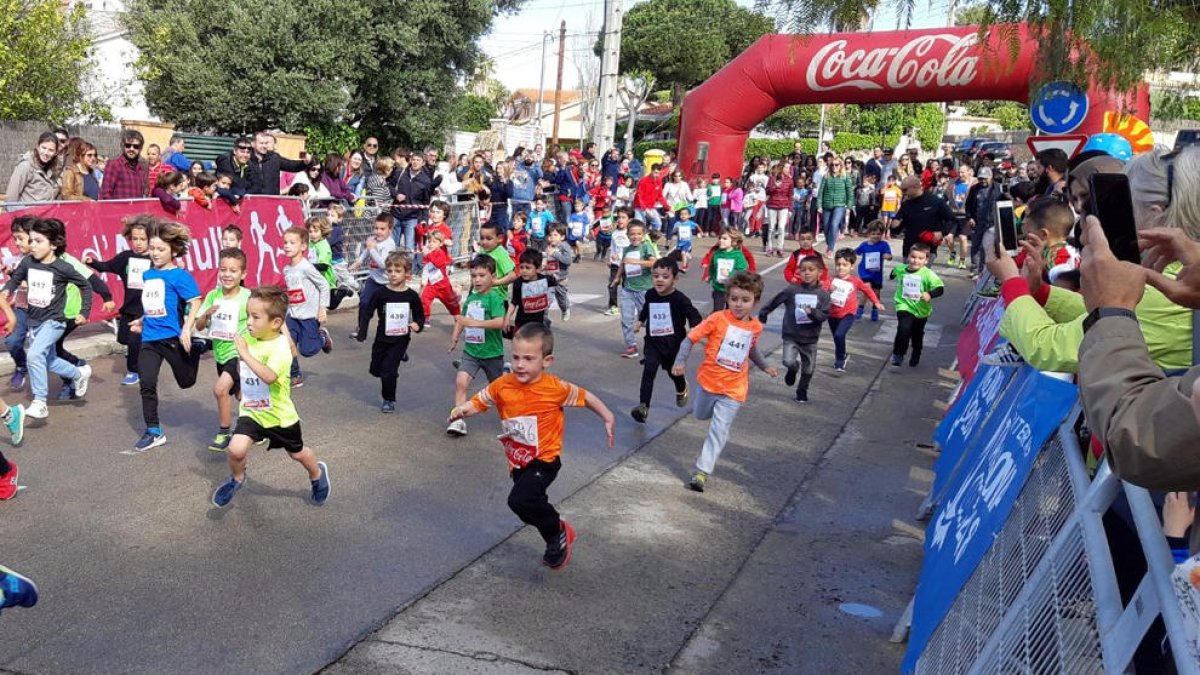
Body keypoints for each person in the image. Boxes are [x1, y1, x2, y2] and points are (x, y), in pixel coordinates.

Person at [448, 322, 615, 569]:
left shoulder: (554, 387)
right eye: (515, 357)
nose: (519, 364)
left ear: (546, 361)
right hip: (518, 460)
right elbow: (480, 401)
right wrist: (462, 409)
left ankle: (557, 532)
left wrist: (607, 417)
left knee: (520, 501)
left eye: (528, 358)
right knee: (528, 506)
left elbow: (585, 396)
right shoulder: (502, 385)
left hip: (545, 459)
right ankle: (557, 533)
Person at [210, 286, 331, 507]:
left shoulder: (280, 347)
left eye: (256, 317)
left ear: (275, 323)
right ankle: (237, 478)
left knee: (297, 454)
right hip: (253, 412)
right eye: (248, 316)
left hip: (279, 416)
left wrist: (245, 353)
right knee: (235, 449)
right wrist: (239, 385)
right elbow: (242, 365)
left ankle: (316, 474)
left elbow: (269, 377)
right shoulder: (249, 336)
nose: (248, 322)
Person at [673, 271, 778, 491]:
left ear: (755, 302)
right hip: (709, 382)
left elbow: (751, 349)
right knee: (700, 414)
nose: (738, 304)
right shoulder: (717, 319)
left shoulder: (755, 327)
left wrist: (765, 366)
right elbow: (691, 337)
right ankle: (712, 413)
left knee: (719, 429)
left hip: (734, 388)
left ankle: (702, 472)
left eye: (745, 300)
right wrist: (679, 362)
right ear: (727, 298)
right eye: (734, 299)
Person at [1, 217, 93, 421]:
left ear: (53, 244)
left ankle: (40, 402)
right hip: (35, 321)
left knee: (34, 355)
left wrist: (84, 312)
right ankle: (79, 374)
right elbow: (16, 278)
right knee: (48, 360)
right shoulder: (28, 262)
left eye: (38, 241)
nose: (32, 245)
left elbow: (86, 286)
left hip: (55, 321)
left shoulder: (63, 267)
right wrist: (8, 290)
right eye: (31, 240)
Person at [128, 218, 202, 451]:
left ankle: (197, 349)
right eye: (152, 249)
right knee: (147, 383)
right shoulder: (148, 275)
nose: (155, 253)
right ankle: (153, 431)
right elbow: (154, 304)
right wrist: (142, 319)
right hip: (150, 337)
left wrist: (187, 329)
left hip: (173, 337)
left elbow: (195, 301)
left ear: (174, 250)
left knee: (186, 381)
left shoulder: (179, 276)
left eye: (161, 249)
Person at [630, 256, 702, 423]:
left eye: (665, 276)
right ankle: (643, 406)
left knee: (672, 371)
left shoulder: (680, 299)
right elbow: (646, 309)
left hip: (674, 345)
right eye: (655, 276)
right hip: (653, 343)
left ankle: (681, 386)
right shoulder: (650, 294)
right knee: (649, 370)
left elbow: (694, 316)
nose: (659, 280)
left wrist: (695, 330)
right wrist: (640, 320)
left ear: (675, 278)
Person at [193, 248, 252, 451]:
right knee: (239, 395)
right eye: (223, 269)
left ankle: (224, 433)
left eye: (233, 270)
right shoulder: (212, 295)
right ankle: (256, 427)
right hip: (221, 353)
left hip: (240, 354)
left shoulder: (248, 297)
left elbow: (258, 321)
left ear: (243, 274)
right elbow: (199, 327)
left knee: (220, 390)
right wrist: (206, 315)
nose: (227, 274)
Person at [84, 216, 152, 386]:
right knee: (123, 339)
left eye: (143, 239)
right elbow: (107, 266)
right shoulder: (126, 257)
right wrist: (93, 263)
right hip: (129, 307)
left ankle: (134, 371)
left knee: (135, 341)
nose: (138, 243)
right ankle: (141, 351)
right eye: (134, 239)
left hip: (145, 308)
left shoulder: (156, 258)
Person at [356, 251, 425, 413]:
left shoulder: (411, 296)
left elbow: (420, 316)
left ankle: (389, 399)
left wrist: (417, 325)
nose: (393, 275)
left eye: (398, 271)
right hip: (382, 337)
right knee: (376, 369)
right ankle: (393, 366)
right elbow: (368, 312)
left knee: (388, 371)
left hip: (401, 339)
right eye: (390, 271)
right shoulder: (380, 293)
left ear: (407, 273)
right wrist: (363, 331)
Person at [446, 255, 507, 437]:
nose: (477, 280)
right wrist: (455, 337)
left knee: (499, 392)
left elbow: (499, 322)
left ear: (492, 276)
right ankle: (458, 421)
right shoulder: (471, 298)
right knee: (460, 382)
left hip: (492, 353)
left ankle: (511, 421)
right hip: (471, 352)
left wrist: (475, 324)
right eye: (473, 276)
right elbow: (462, 319)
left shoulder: (494, 298)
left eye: (482, 275)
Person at [759, 256, 829, 402]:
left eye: (811, 270)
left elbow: (824, 316)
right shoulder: (792, 290)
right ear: (798, 272)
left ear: (819, 272)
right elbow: (775, 301)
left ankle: (802, 390)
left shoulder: (823, 295)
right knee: (787, 361)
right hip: (791, 335)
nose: (807, 273)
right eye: (803, 270)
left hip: (810, 338)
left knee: (808, 369)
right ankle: (793, 368)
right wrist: (764, 313)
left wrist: (813, 312)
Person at [281, 227, 332, 388]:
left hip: (309, 315)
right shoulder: (287, 269)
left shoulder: (306, 267)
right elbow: (292, 292)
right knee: (286, 344)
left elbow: (323, 285)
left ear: (303, 247)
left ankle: (322, 338)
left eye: (292, 243)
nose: (287, 246)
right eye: (285, 242)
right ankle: (295, 375)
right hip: (293, 315)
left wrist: (322, 308)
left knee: (308, 350)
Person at [828, 248, 884, 372]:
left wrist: (876, 302)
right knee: (837, 338)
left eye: (844, 265)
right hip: (832, 314)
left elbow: (868, 290)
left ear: (851, 266)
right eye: (838, 265)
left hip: (848, 314)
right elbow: (820, 291)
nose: (841, 268)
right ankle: (843, 354)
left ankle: (839, 360)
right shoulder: (831, 280)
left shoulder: (855, 281)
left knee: (839, 334)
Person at [889, 243, 944, 367]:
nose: (916, 261)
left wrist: (930, 294)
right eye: (913, 257)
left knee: (917, 333)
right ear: (908, 256)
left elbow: (940, 288)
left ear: (926, 260)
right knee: (903, 328)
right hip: (903, 305)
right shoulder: (901, 268)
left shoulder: (928, 274)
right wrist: (892, 274)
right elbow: (894, 272)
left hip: (921, 309)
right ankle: (898, 354)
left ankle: (916, 351)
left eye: (920, 258)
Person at [349, 213, 398, 339]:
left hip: (387, 283)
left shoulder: (390, 244)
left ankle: (394, 339)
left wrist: (372, 250)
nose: (378, 232)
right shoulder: (372, 240)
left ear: (390, 229)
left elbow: (383, 264)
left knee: (385, 312)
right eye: (376, 228)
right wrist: (359, 261)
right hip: (373, 280)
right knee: (364, 303)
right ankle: (361, 329)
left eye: (382, 229)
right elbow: (366, 251)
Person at [616, 221, 658, 358]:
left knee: (648, 320)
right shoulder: (627, 249)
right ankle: (631, 346)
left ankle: (656, 342)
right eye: (632, 234)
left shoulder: (646, 247)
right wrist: (617, 278)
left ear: (644, 235)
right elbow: (623, 264)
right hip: (628, 289)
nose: (635, 237)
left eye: (639, 234)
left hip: (644, 289)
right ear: (628, 235)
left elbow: (654, 263)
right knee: (626, 319)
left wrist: (637, 262)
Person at [894, 175, 955, 260]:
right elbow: (896, 229)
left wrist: (942, 232)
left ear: (915, 187)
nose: (902, 193)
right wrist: (894, 225)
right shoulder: (906, 204)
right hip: (909, 248)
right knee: (908, 273)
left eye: (905, 190)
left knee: (921, 273)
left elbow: (951, 219)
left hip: (927, 249)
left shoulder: (935, 201)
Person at [506, 248, 559, 333]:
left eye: (528, 268)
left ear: (537, 268)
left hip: (538, 326)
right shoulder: (518, 283)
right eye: (521, 267)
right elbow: (513, 302)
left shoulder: (545, 280)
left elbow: (556, 281)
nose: (524, 271)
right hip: (521, 324)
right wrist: (507, 318)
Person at [964, 167, 1003, 277]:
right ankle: (975, 269)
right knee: (975, 246)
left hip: (992, 223)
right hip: (977, 222)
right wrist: (970, 217)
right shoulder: (974, 189)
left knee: (984, 247)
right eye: (981, 179)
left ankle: (982, 270)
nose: (983, 181)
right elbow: (968, 205)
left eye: (985, 178)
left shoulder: (998, 188)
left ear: (991, 177)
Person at [6, 132, 61, 205]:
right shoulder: (25, 166)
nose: (46, 153)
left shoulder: (53, 168)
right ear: (38, 146)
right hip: (27, 214)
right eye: (43, 148)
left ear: (56, 152)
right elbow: (11, 198)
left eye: (51, 150)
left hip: (45, 214)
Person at [853, 220, 893, 322]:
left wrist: (887, 256)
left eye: (878, 234)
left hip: (876, 273)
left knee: (876, 292)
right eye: (873, 234)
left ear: (882, 234)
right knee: (866, 290)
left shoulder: (883, 245)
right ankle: (860, 309)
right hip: (865, 272)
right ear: (869, 234)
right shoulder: (864, 245)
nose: (876, 236)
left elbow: (889, 255)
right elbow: (856, 252)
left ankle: (875, 309)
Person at [816, 156, 854, 256]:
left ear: (840, 166)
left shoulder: (845, 177)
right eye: (832, 165)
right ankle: (830, 243)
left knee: (834, 225)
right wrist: (819, 205)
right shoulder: (826, 176)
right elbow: (821, 192)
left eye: (836, 165)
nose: (834, 167)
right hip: (826, 205)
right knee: (826, 226)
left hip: (839, 205)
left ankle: (830, 249)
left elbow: (850, 193)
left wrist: (849, 207)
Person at [419, 230, 460, 320]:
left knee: (451, 303)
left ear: (441, 244)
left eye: (434, 242)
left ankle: (458, 315)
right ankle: (425, 318)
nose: (431, 244)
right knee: (424, 299)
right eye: (430, 241)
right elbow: (425, 265)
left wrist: (428, 254)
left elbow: (438, 263)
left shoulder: (441, 253)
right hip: (432, 284)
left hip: (443, 285)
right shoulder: (429, 253)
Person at [707, 228, 750, 312]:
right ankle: (718, 323)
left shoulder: (737, 255)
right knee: (717, 310)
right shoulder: (717, 254)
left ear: (733, 241)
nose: (721, 240)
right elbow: (712, 267)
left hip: (733, 289)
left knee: (731, 311)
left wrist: (730, 273)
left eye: (725, 239)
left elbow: (742, 270)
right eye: (720, 238)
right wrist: (710, 276)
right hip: (719, 288)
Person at [100, 130, 150, 200]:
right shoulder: (114, 165)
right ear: (123, 146)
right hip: (118, 210)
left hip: (137, 210)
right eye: (128, 145)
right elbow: (105, 195)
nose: (131, 149)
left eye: (136, 146)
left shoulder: (140, 168)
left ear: (140, 148)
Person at [477, 221, 517, 302]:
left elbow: (512, 276)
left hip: (497, 297)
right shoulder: (482, 250)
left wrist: (496, 282)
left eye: (488, 238)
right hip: (481, 294)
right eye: (482, 238)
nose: (484, 242)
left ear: (499, 238)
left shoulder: (501, 254)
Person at [544, 225, 573, 321]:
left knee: (562, 299)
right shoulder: (548, 247)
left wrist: (555, 254)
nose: (552, 237)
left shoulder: (564, 246)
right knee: (546, 300)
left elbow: (568, 260)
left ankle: (565, 309)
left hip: (561, 279)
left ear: (562, 237)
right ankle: (544, 318)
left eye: (555, 235)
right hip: (549, 278)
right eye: (550, 235)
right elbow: (546, 260)